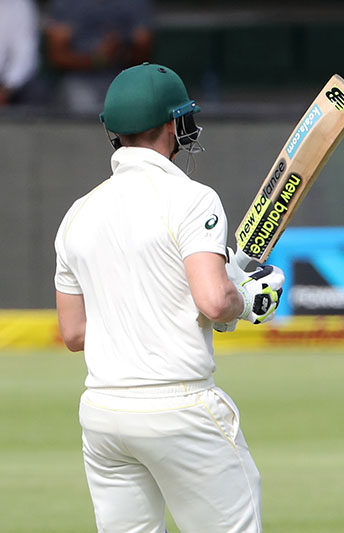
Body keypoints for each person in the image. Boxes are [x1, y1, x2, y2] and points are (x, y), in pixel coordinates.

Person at [54, 63, 284, 532]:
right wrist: (246, 298)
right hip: (180, 409)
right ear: (173, 124)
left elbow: (74, 333)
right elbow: (215, 302)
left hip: (103, 414)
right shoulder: (191, 198)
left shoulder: (77, 213)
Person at [44, 0, 153, 112]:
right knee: (82, 104)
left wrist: (121, 48)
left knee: (138, 105)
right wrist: (98, 58)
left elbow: (143, 55)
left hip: (123, 77)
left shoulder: (135, 3)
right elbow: (58, 57)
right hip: (80, 79)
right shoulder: (67, 3)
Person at [0, 0, 44, 106]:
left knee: (36, 91)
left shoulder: (19, 5)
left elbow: (25, 55)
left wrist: (7, 88)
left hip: (7, 80)